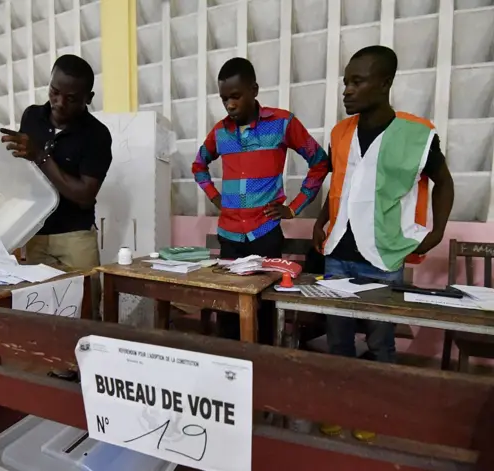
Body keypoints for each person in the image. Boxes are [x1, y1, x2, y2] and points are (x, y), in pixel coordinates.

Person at [312, 46, 454, 440]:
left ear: (385, 83)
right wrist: (322, 221)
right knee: (337, 339)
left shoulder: (417, 134)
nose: (347, 90)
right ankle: (341, 408)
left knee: (380, 342)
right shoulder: (340, 133)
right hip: (338, 253)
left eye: (357, 82)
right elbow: (339, 184)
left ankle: (374, 413)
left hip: (383, 254)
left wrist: (438, 229)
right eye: (346, 82)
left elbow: (444, 182)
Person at [192, 57, 329, 343]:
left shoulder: (282, 123)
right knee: (228, 307)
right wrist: (216, 198)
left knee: (265, 308)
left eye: (236, 96)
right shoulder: (220, 132)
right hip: (229, 235)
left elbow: (319, 162)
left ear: (254, 89)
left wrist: (294, 207)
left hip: (265, 235)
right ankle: (229, 368)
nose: (230, 105)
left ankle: (263, 368)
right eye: (224, 98)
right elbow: (198, 165)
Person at [1, 54, 112, 324]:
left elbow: (84, 195)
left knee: (85, 311)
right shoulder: (32, 117)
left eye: (72, 98)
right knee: (43, 311)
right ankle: (56, 367)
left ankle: (84, 366)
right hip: (36, 232)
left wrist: (41, 156)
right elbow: (22, 170)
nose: (60, 103)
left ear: (88, 97)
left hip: (75, 236)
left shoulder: (97, 135)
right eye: (54, 92)